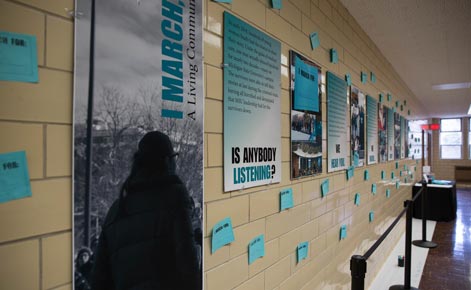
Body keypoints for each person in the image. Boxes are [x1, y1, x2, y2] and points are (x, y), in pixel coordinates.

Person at [90, 131, 200, 290]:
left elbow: (99, 281)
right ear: (167, 161)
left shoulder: (116, 210)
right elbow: (189, 271)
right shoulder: (175, 198)